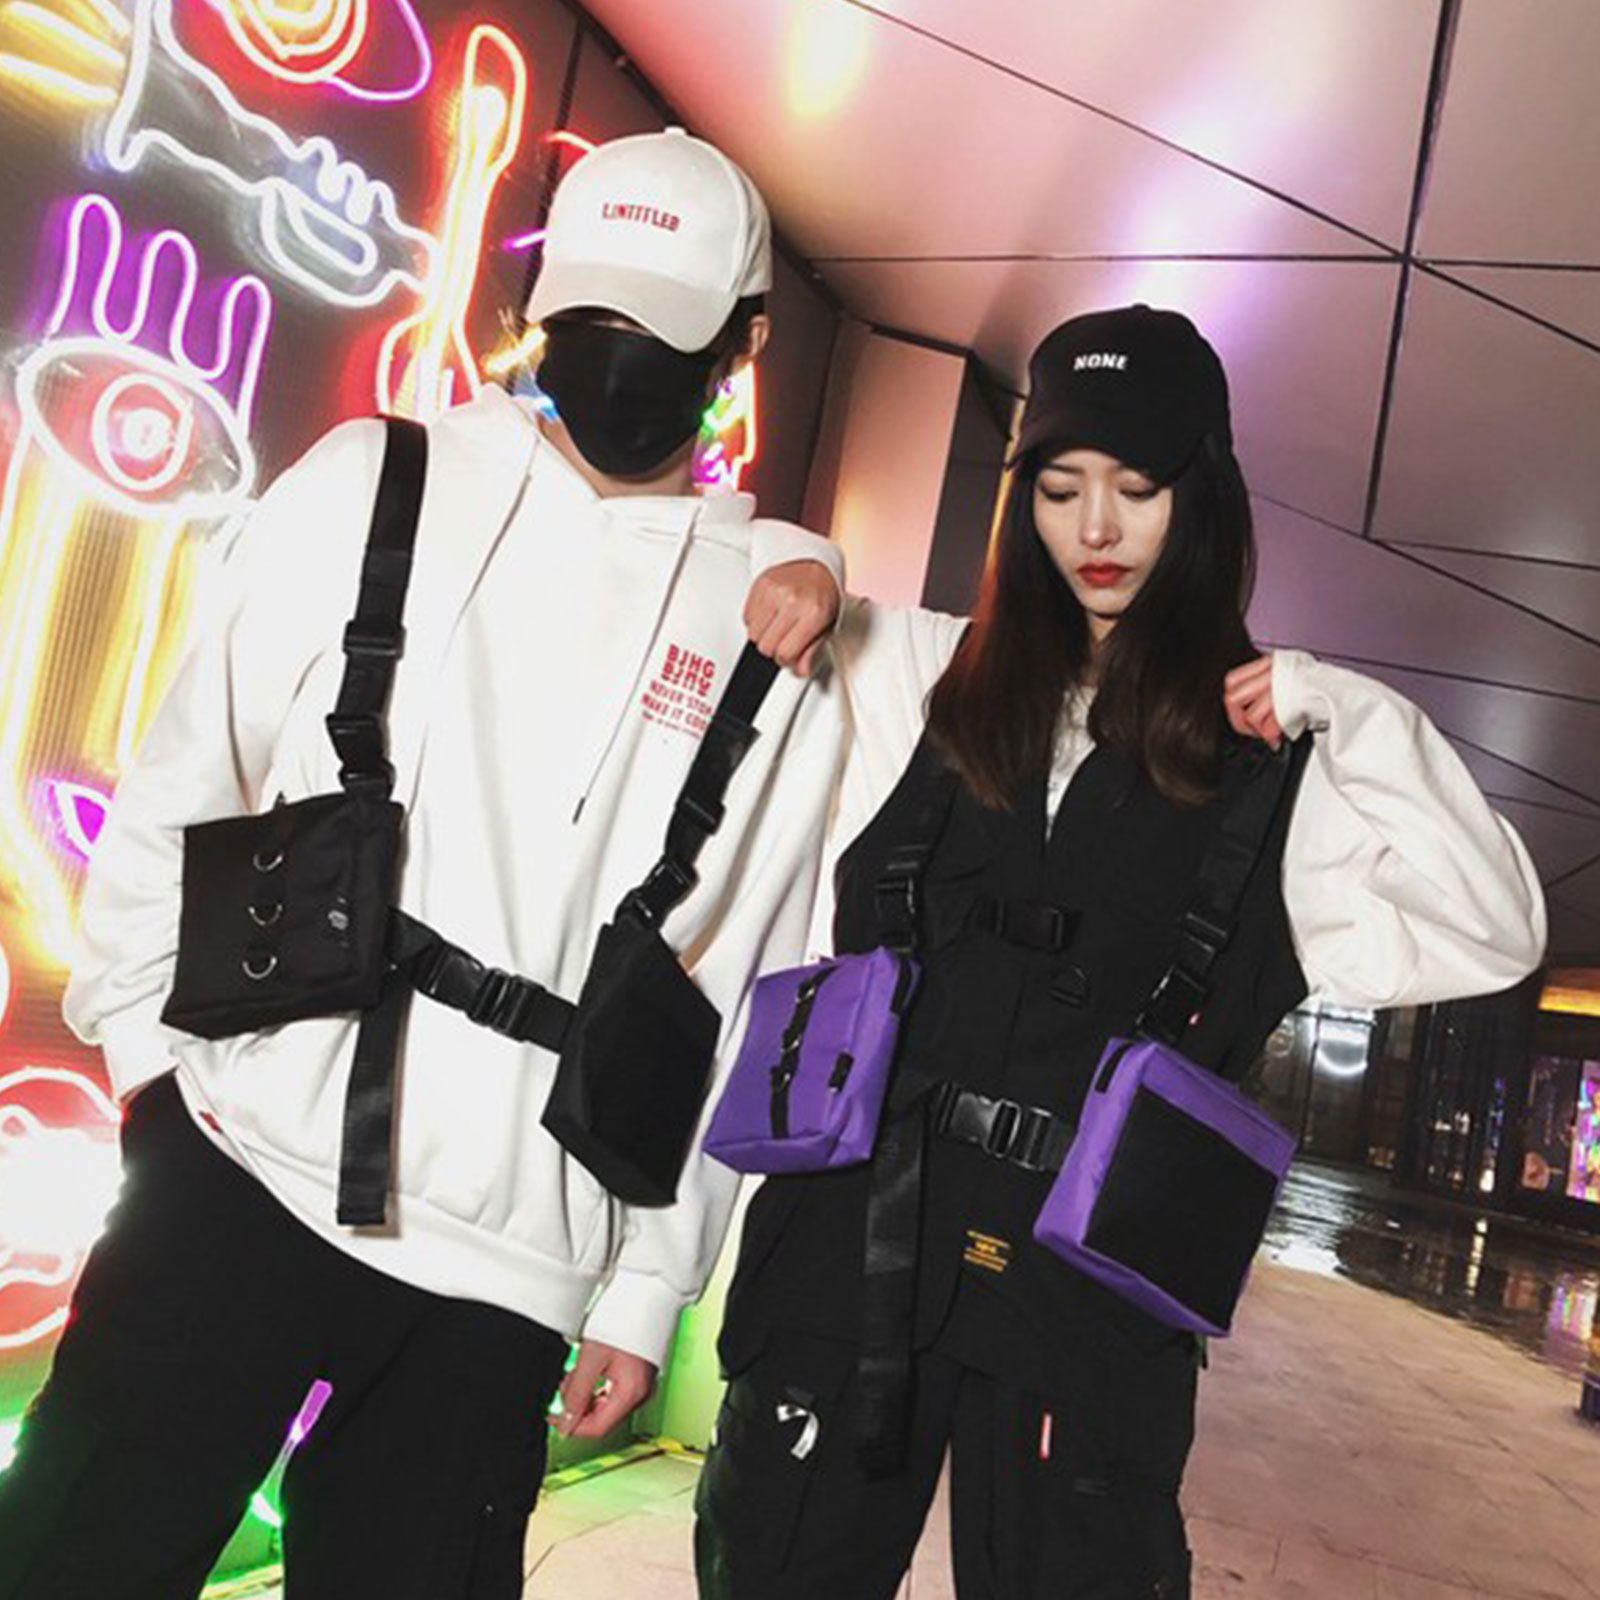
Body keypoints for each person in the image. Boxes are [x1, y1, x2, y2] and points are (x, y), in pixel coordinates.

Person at [0, 129, 846, 1600]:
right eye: (589, 318)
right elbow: (189, 772)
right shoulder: (375, 478)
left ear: (744, 342)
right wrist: (147, 1066)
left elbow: (741, 980)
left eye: (661, 330)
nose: (618, 360)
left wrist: (648, 1284)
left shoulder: (774, 621)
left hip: (505, 1267)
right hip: (239, 1165)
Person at [694, 305, 1547, 1600]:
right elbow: (715, 578)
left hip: (1082, 1308)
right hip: (849, 1250)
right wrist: (804, 561)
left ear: (1200, 502)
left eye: (1137, 490)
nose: (1096, 529)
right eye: (1060, 488)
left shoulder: (1275, 770)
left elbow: (1499, 925)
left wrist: (1352, 712)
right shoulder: (924, 670)